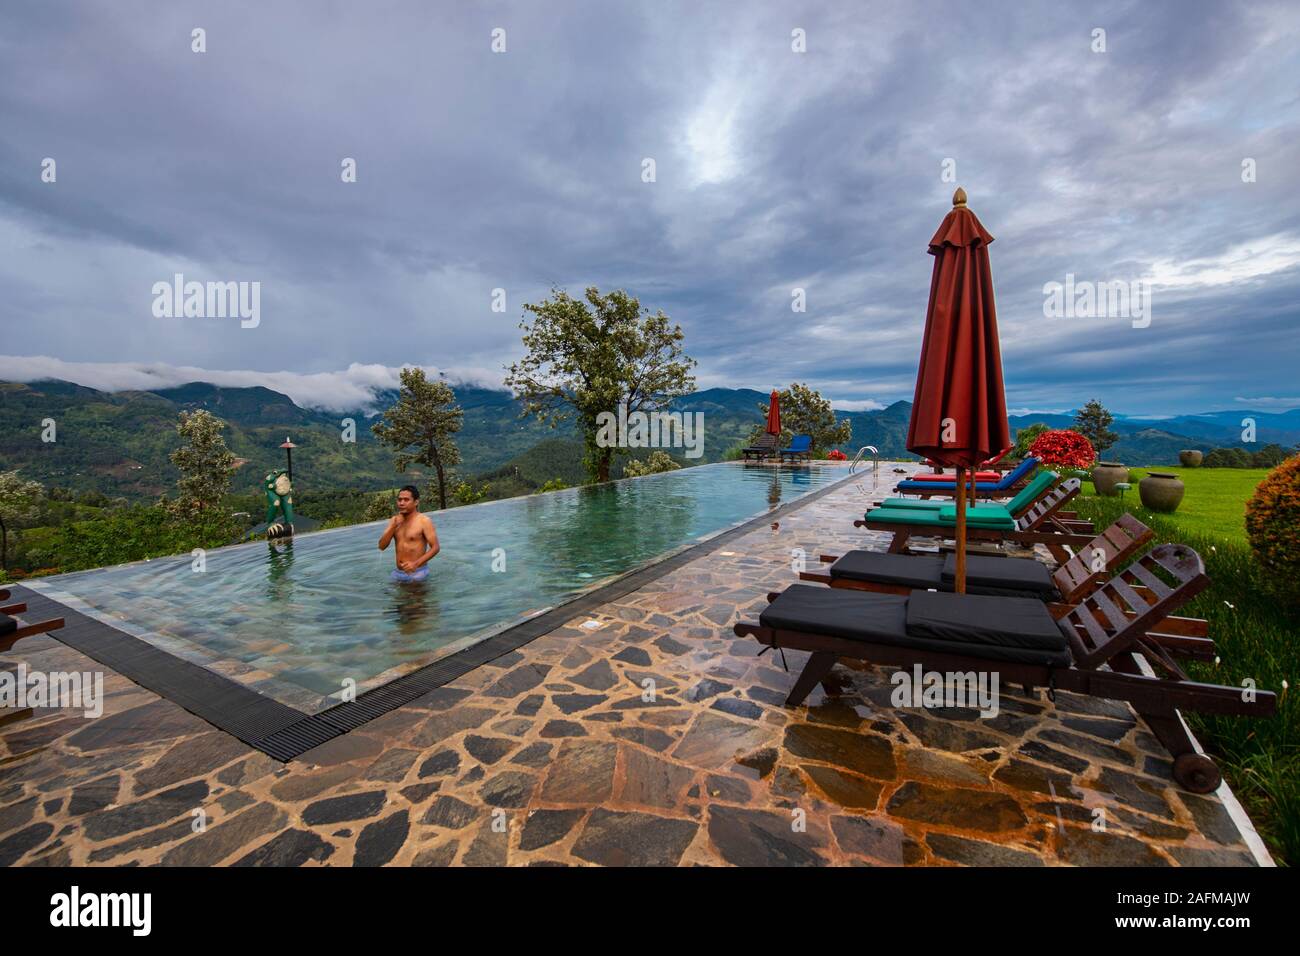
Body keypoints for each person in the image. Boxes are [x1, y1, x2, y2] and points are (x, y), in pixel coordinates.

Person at [378, 485, 440, 582]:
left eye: (406, 500)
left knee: (415, 597)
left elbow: (435, 547)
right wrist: (393, 526)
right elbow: (381, 546)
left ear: (416, 502)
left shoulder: (424, 521)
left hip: (417, 572)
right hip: (398, 573)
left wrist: (416, 564)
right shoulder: (394, 521)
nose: (401, 503)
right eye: (399, 500)